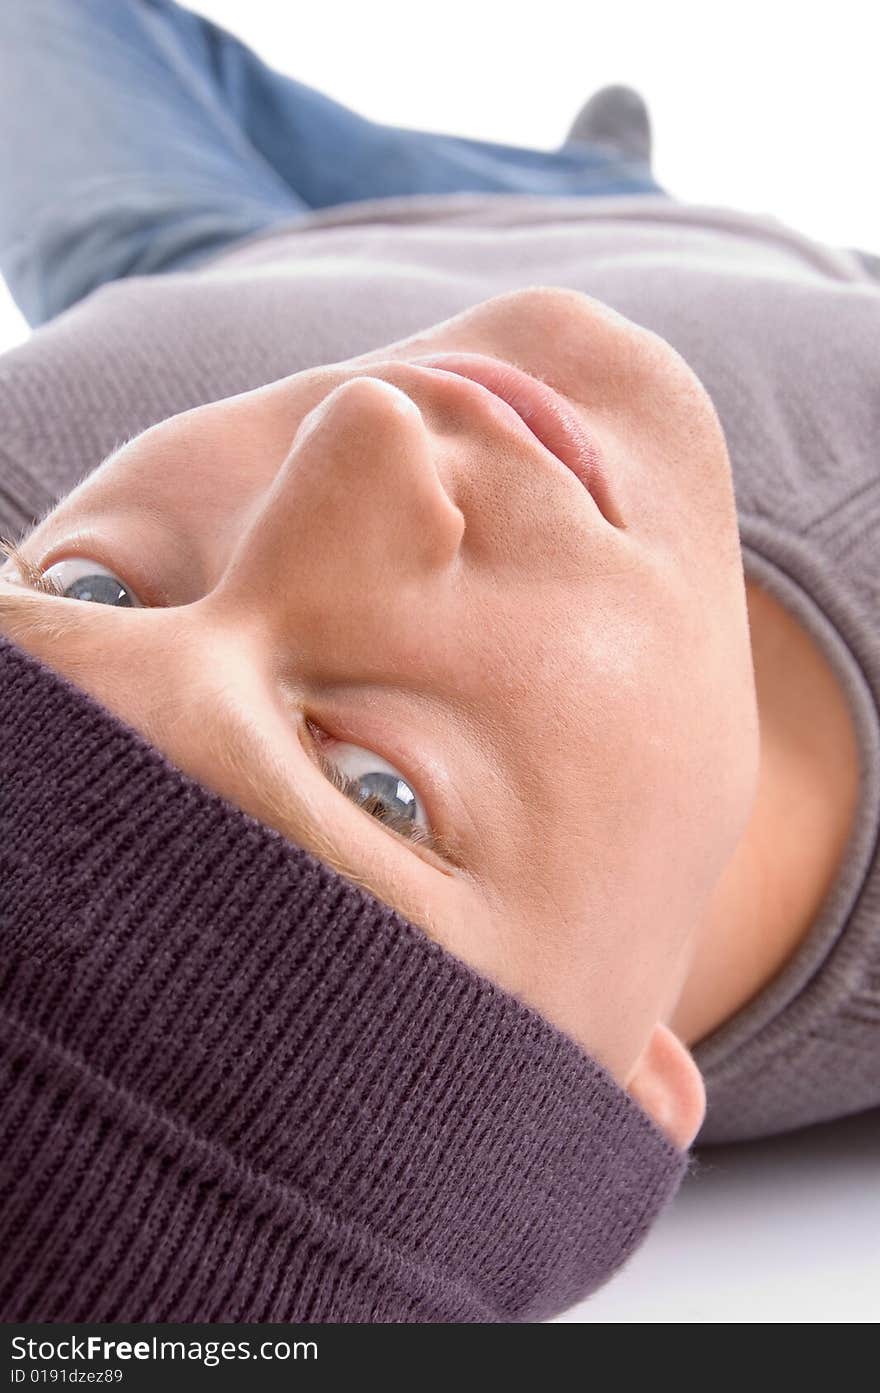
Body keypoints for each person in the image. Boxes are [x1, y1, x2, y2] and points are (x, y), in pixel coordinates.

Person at [0, 0, 878, 1324]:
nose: (364, 428)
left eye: (90, 585)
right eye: (377, 789)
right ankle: (610, 177)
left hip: (211, 236)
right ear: (627, 1084)